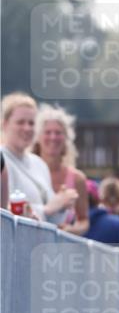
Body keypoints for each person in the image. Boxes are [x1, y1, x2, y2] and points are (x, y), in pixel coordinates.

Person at [0, 93, 77, 223]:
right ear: (4, 124)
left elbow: (53, 218)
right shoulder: (2, 160)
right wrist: (46, 209)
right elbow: (4, 211)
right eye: (20, 122)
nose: (27, 128)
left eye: (31, 123)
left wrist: (63, 204)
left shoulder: (39, 163)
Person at [33, 103, 89, 236]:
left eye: (58, 133)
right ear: (38, 137)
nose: (53, 137)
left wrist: (71, 230)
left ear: (66, 139)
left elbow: (84, 220)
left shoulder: (77, 178)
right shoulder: (27, 171)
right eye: (48, 132)